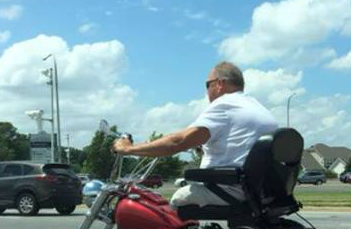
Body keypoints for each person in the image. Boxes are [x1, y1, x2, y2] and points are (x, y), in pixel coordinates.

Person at [113, 62, 278, 207]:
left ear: (219, 83)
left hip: (232, 189)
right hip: (264, 190)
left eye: (207, 85)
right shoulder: (256, 106)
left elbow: (178, 142)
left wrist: (128, 148)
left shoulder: (224, 104)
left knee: (176, 200)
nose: (207, 91)